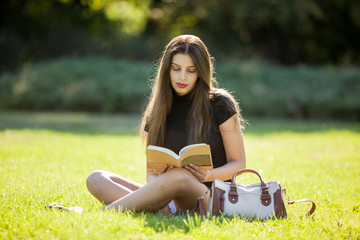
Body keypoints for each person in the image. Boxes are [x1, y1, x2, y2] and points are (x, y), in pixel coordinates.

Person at [86, 35, 246, 214]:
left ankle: (98, 214)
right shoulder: (158, 109)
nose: (182, 77)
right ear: (166, 70)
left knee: (179, 176)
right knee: (96, 178)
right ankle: (163, 210)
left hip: (212, 197)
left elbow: (238, 163)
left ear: (201, 72)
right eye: (176, 69)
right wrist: (161, 180)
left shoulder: (220, 103)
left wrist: (208, 175)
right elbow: (152, 174)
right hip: (171, 197)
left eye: (191, 70)